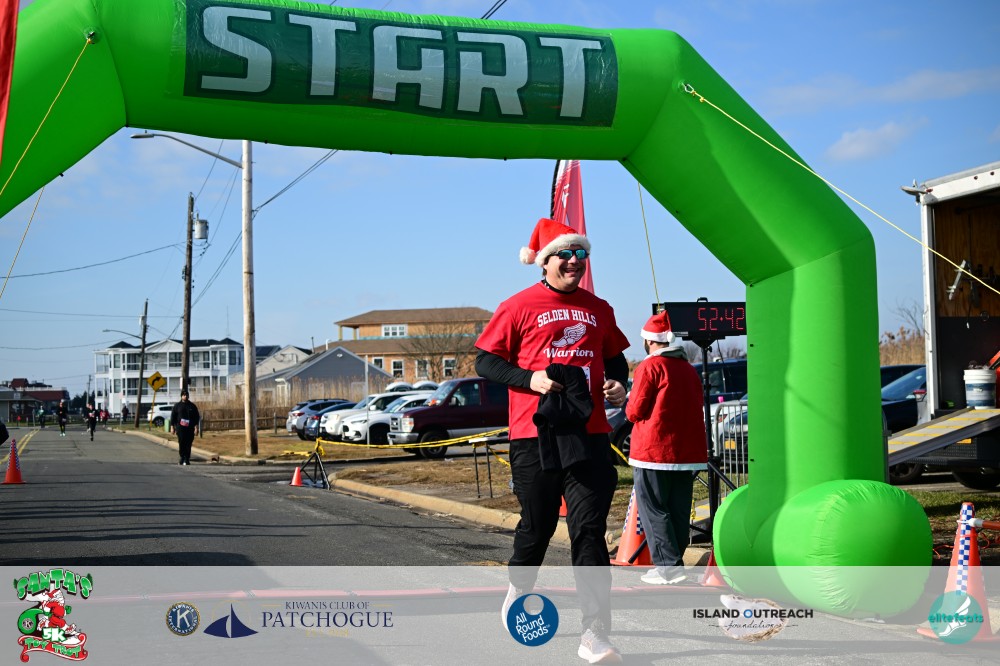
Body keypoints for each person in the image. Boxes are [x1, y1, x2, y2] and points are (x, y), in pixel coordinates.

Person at [475, 217, 629, 664]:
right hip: (534, 435)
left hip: (590, 434)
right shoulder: (518, 305)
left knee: (589, 531)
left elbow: (615, 360)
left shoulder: (598, 308)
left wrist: (618, 384)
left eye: (581, 254)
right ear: (545, 261)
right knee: (537, 527)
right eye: (566, 254)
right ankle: (519, 587)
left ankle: (595, 634)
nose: (575, 261)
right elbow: (485, 362)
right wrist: (530, 379)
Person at [625, 310, 708, 585]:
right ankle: (674, 563)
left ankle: (668, 568)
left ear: (649, 340)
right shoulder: (689, 369)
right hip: (687, 453)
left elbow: (635, 410)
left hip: (653, 450)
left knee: (654, 508)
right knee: (678, 510)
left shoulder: (649, 367)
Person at [170, 389, 201, 465]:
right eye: (184, 395)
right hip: (180, 428)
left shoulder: (192, 406)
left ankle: (187, 458)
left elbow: (196, 417)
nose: (185, 396)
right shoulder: (177, 406)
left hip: (189, 428)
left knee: (188, 443)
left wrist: (196, 427)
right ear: (181, 396)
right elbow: (173, 417)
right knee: (181, 442)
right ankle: (182, 457)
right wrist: (172, 427)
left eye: (186, 395)